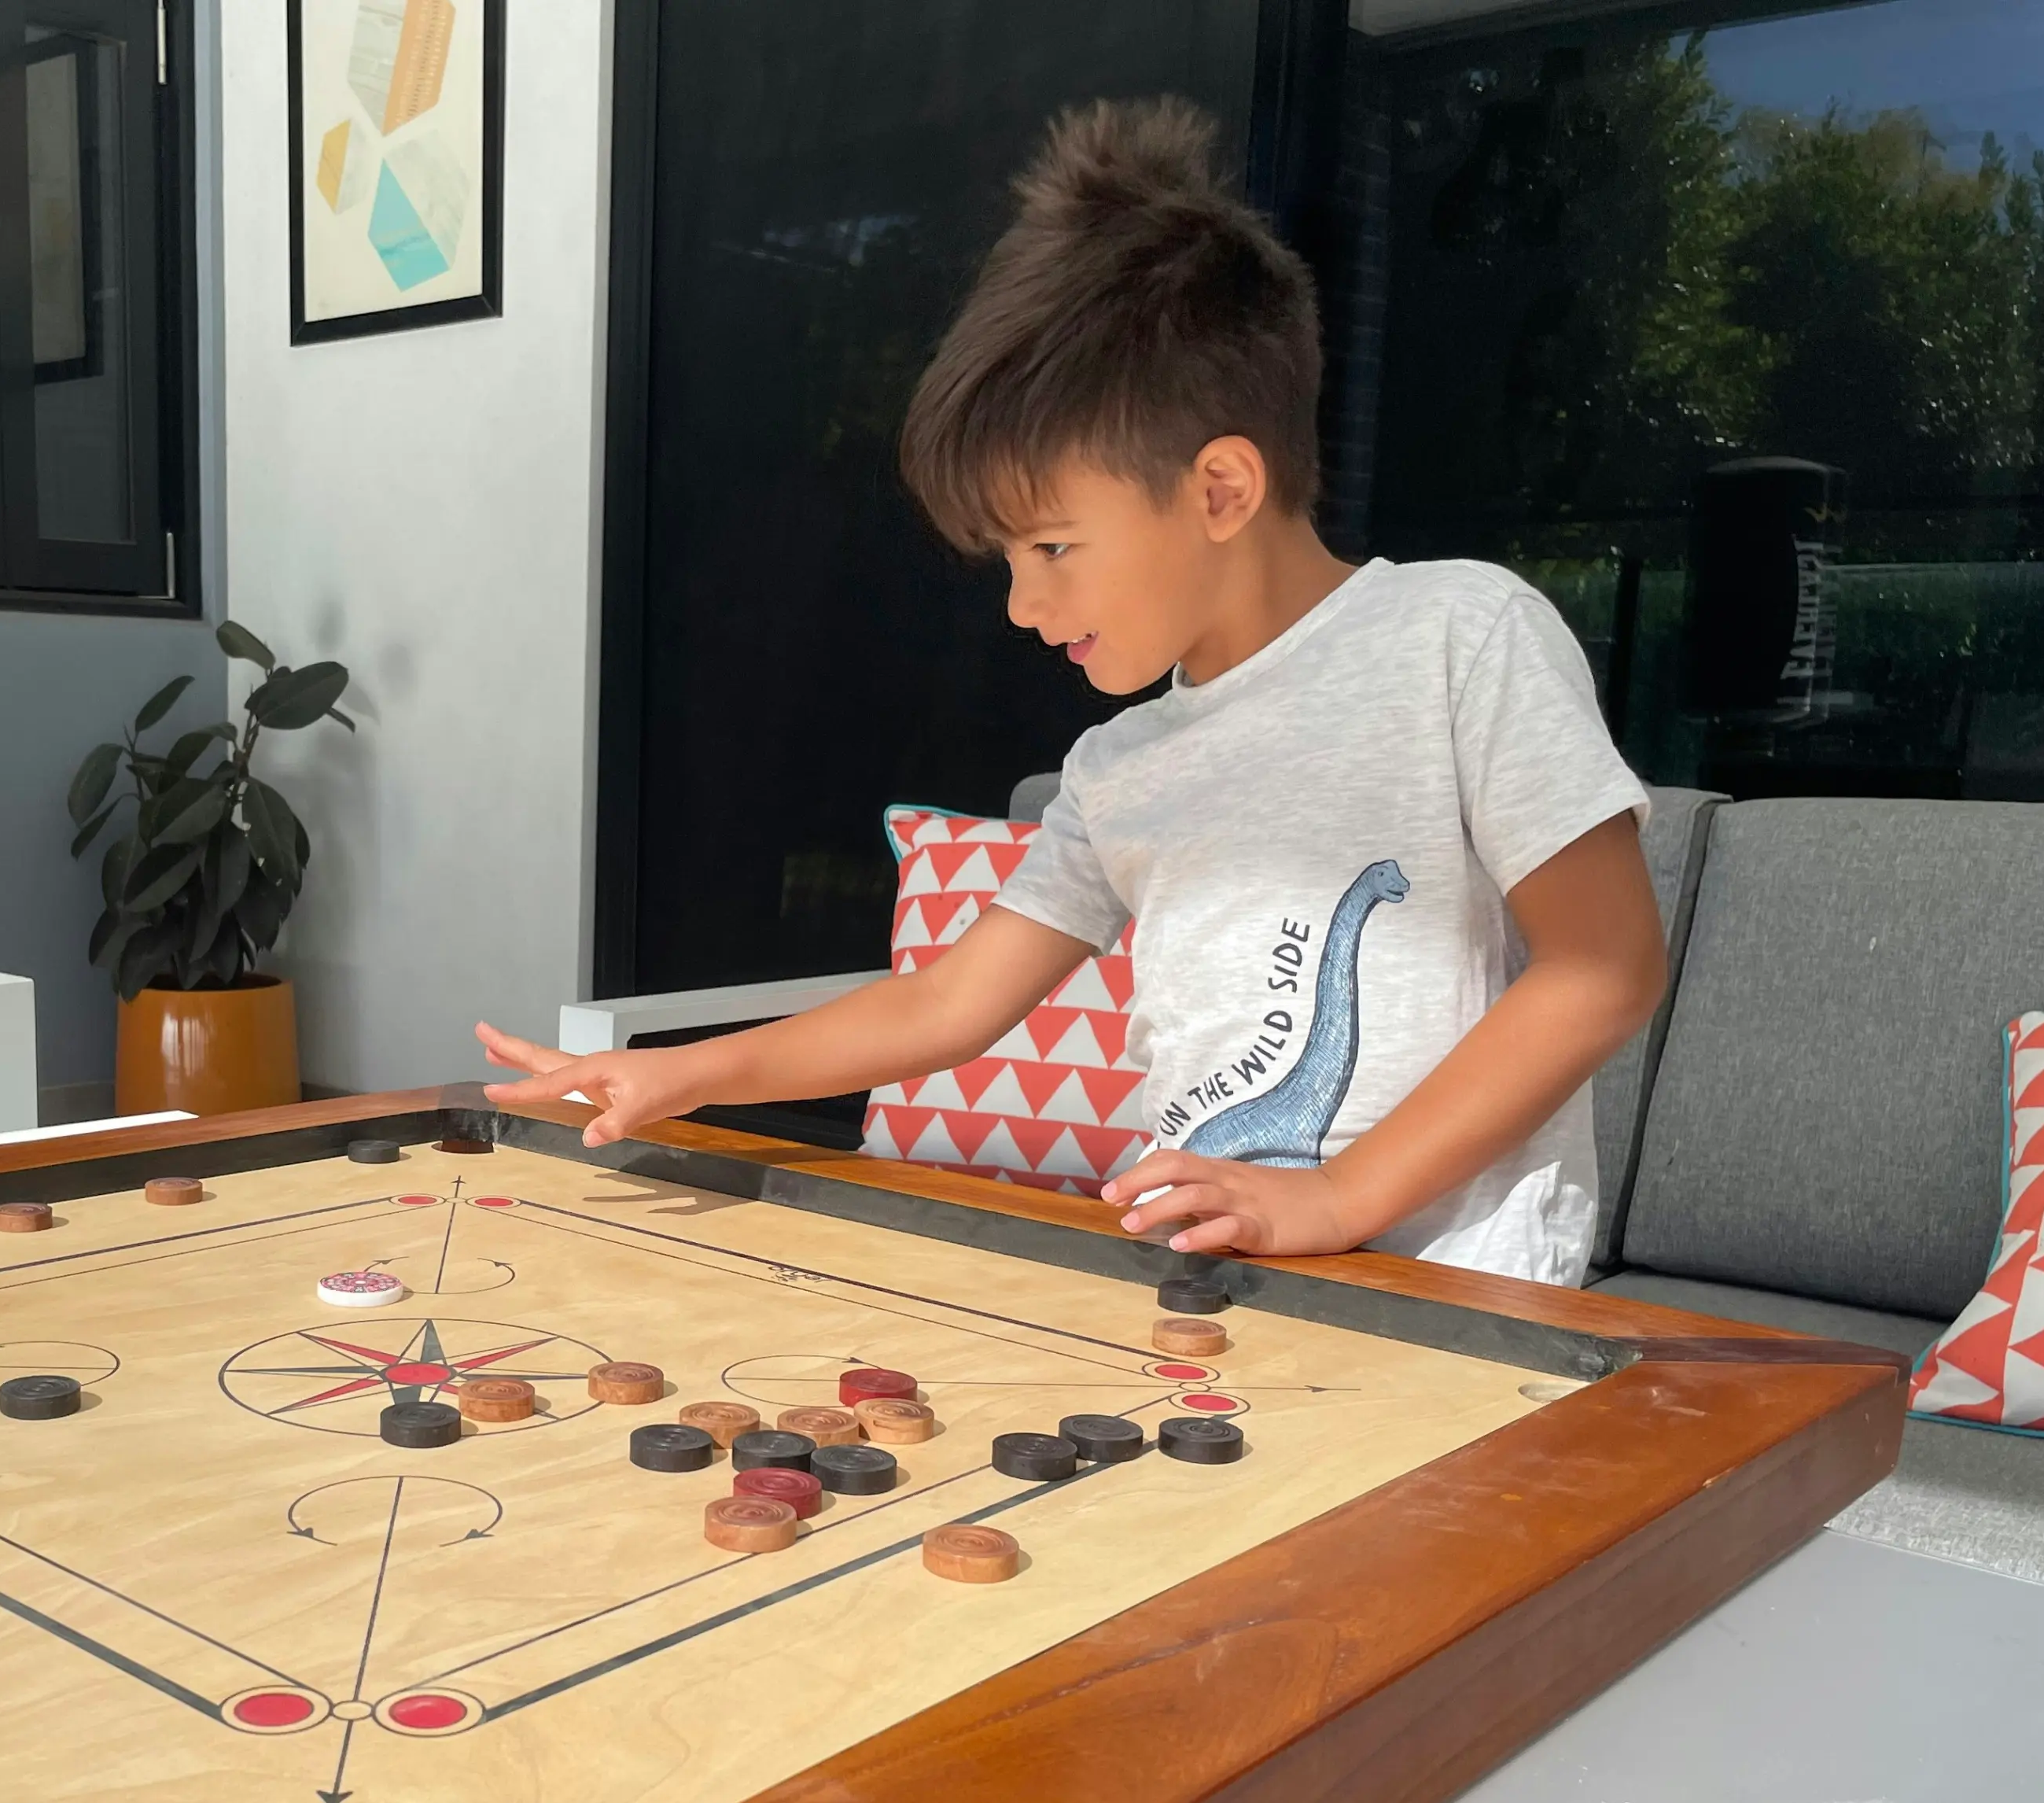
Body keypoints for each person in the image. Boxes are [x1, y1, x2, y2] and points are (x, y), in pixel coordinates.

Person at [477, 95, 1664, 1285]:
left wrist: (1339, 1196)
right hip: (1212, 1277)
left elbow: (1602, 970)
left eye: (1050, 549)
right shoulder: (1118, 768)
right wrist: (680, 1074)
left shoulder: (1459, 637)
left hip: (1461, 1294)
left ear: (1219, 490)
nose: (1020, 607)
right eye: (1006, 561)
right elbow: (943, 1006)